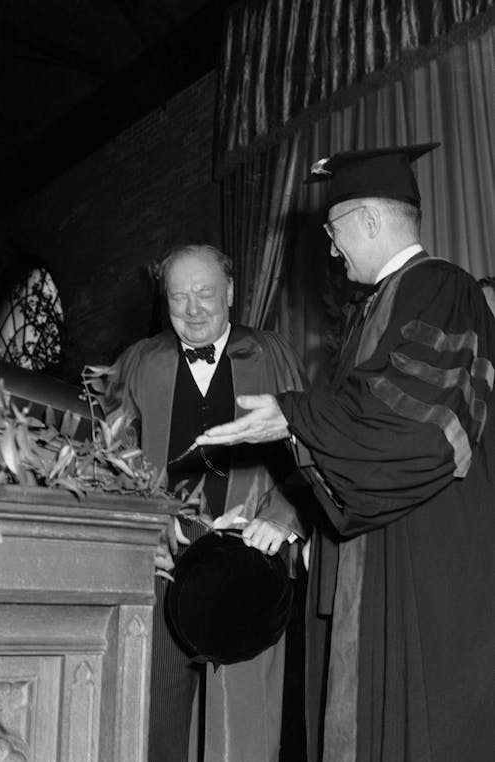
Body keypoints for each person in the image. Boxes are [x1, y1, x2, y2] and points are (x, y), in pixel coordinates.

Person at [197, 144, 495, 761]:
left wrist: (290, 413)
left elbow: (411, 424)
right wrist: (279, 517)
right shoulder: (378, 307)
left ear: (367, 220)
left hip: (429, 561)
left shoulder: (441, 287)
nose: (332, 251)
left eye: (334, 233)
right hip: (382, 553)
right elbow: (350, 428)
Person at [105, 244, 309, 762]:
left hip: (245, 552)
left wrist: (280, 518)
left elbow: (307, 449)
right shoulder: (140, 362)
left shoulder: (270, 354)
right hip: (163, 557)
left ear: (232, 294)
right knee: (155, 708)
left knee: (240, 717)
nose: (193, 310)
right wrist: (136, 531)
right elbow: (108, 460)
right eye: (178, 298)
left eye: (205, 294)